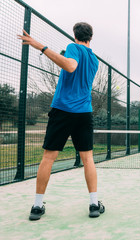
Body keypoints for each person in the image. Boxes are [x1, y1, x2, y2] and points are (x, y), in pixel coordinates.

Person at [17, 22, 105, 220]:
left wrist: (41, 46)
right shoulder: (94, 59)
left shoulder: (73, 48)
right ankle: (93, 204)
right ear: (91, 37)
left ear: (75, 35)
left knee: (48, 157)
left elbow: (71, 66)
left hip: (63, 110)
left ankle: (37, 206)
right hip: (84, 112)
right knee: (88, 158)